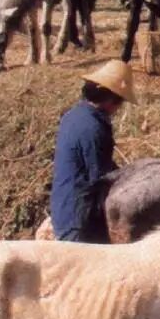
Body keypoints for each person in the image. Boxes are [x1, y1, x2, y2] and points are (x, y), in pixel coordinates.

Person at [50, 60, 133, 242]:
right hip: (79, 216)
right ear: (111, 100)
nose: (118, 109)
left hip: (63, 207)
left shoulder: (73, 115)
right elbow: (100, 177)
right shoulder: (94, 128)